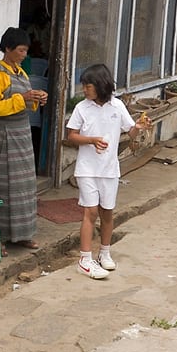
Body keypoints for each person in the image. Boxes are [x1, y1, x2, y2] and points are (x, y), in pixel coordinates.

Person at [66, 64, 148, 279]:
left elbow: (130, 132)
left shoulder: (117, 106)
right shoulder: (82, 108)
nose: (84, 90)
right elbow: (71, 136)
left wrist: (139, 127)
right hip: (86, 169)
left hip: (110, 169)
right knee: (90, 212)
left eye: (88, 86)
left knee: (107, 212)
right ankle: (85, 259)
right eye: (84, 86)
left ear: (101, 86)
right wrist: (91, 140)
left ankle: (104, 253)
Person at [0, 28, 48, 249]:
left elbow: (26, 102)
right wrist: (22, 98)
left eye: (26, 51)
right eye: (21, 50)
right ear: (8, 49)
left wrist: (37, 99)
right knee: (5, 183)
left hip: (22, 131)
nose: (24, 54)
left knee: (24, 184)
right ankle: (0, 237)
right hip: (6, 131)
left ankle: (24, 233)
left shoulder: (20, 73)